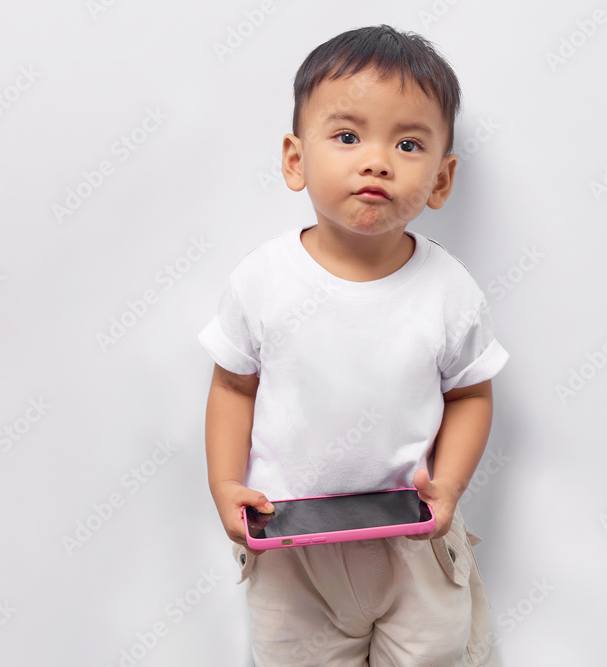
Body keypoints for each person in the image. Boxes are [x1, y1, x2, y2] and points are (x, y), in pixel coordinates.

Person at [200, 24, 509, 666]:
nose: (377, 161)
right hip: (289, 543)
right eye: (347, 136)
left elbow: (471, 395)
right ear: (295, 160)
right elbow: (232, 385)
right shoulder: (262, 280)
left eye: (408, 143)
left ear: (442, 179)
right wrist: (225, 483)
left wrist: (449, 486)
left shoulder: (449, 290)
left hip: (412, 542)